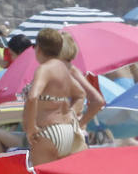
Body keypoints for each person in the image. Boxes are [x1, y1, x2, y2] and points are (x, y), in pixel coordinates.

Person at [21, 28, 89, 166]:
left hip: (47, 132)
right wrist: (72, 113)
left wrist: (30, 127)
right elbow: (80, 94)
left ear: (38, 48)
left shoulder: (44, 69)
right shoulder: (63, 69)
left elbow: (33, 97)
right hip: (67, 131)